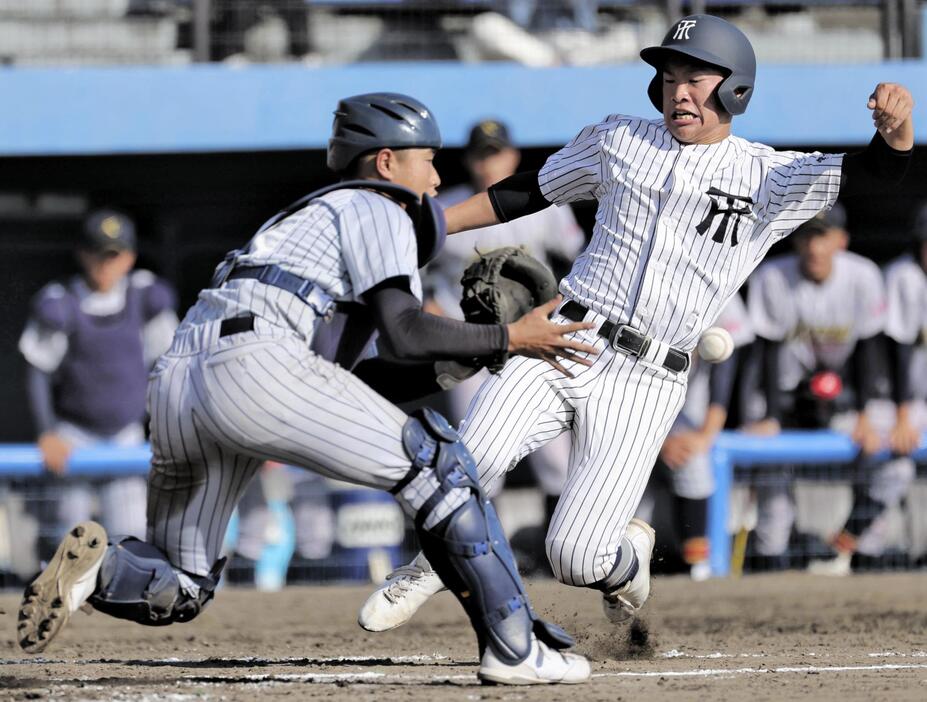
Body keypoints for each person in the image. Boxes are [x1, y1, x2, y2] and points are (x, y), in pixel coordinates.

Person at [357, 14, 914, 631]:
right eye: (669, 76)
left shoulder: (769, 176)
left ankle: (626, 559)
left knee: (573, 555)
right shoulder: (618, 139)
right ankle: (423, 568)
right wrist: (429, 226)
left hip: (649, 376)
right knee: (471, 460)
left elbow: (876, 173)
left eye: (696, 77)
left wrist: (895, 134)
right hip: (566, 336)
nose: (679, 90)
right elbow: (525, 192)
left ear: (735, 89)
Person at [18, 93, 595, 686]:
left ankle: (93, 573)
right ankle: (514, 646)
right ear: (387, 162)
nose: (438, 175)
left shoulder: (297, 222)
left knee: (180, 583)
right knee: (440, 469)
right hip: (254, 363)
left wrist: (463, 360)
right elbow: (403, 330)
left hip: (180, 381)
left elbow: (349, 376)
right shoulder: (381, 205)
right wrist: (504, 336)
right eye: (428, 159)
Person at [429, 118, 584, 514]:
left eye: (495, 153)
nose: (489, 163)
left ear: (513, 156)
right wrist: (427, 302)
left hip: (530, 342)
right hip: (469, 344)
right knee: (477, 451)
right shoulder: (447, 208)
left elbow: (575, 260)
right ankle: (489, 559)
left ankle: (558, 556)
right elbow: (416, 269)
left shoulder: (543, 207)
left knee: (553, 452)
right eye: (482, 155)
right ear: (470, 160)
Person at [744, 214, 914, 569]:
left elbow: (870, 347)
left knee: (896, 465)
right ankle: (771, 560)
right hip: (786, 397)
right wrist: (772, 417)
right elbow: (768, 353)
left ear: (841, 240)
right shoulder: (773, 276)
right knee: (769, 468)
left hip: (847, 398)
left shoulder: (862, 275)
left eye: (823, 236)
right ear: (795, 240)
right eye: (807, 236)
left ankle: (850, 543)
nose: (814, 246)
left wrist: (867, 416)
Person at [18, 209, 178, 549]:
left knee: (131, 536)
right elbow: (37, 370)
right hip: (73, 436)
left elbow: (170, 366)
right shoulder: (61, 300)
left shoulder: (145, 296)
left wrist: (163, 428)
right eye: (98, 253)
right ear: (82, 253)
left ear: (129, 257)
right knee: (68, 535)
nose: (105, 264)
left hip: (126, 437)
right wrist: (47, 432)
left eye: (114, 254)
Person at [804, 203, 927, 574]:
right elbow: (894, 352)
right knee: (896, 468)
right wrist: (903, 414)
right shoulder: (904, 277)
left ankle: (846, 549)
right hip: (897, 402)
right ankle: (846, 547)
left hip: (904, 405)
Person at [635, 293, 754, 580]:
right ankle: (620, 565)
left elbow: (726, 362)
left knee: (694, 461)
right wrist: (654, 440)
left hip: (687, 400)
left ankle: (696, 568)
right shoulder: (639, 285)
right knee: (629, 483)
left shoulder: (721, 281)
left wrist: (706, 434)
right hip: (630, 399)